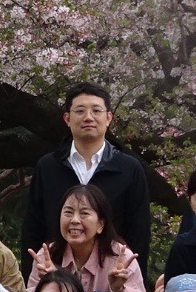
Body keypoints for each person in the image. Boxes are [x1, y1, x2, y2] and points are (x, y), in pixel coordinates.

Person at [19, 84, 152, 264]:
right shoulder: (48, 166)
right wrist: (34, 277)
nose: (88, 117)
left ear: (108, 118)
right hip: (56, 270)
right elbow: (33, 227)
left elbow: (139, 232)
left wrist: (133, 277)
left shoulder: (129, 168)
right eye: (80, 111)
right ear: (67, 118)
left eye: (96, 111)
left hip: (112, 271)